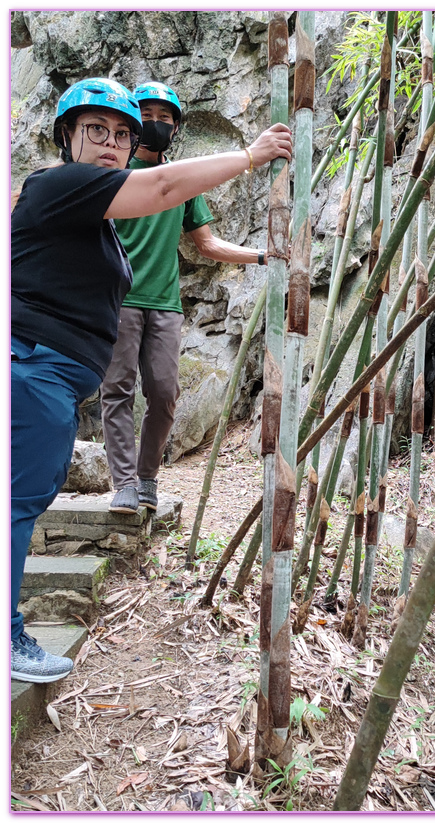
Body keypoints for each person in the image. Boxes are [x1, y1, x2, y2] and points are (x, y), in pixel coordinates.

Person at [11, 77, 291, 683]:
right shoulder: (62, 185)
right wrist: (250, 155)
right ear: (67, 138)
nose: (110, 142)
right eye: (96, 131)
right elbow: (161, 184)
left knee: (31, 490)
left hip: (50, 372)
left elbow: (199, 235)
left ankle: (143, 482)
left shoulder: (91, 213)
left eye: (121, 133)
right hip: (33, 364)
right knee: (19, 500)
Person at [101, 81, 268, 515]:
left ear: (176, 129)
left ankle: (147, 477)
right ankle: (123, 484)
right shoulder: (113, 174)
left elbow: (207, 245)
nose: (156, 125)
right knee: (116, 390)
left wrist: (264, 256)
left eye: (165, 119)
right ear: (135, 123)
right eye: (148, 117)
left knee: (164, 392)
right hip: (118, 301)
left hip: (165, 304)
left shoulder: (182, 184)